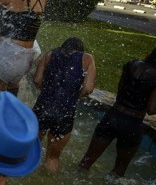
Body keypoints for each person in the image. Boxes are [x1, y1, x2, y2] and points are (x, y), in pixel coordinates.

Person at [79, 48, 156, 177]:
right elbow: (151, 109)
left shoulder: (131, 64)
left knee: (87, 161)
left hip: (113, 115)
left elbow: (121, 87)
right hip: (133, 123)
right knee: (119, 169)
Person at [32, 37, 96, 173]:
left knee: (29, 150)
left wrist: (48, 90)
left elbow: (37, 80)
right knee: (53, 158)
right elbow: (88, 89)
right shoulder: (87, 59)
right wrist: (73, 95)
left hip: (43, 107)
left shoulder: (49, 55)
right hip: (65, 112)